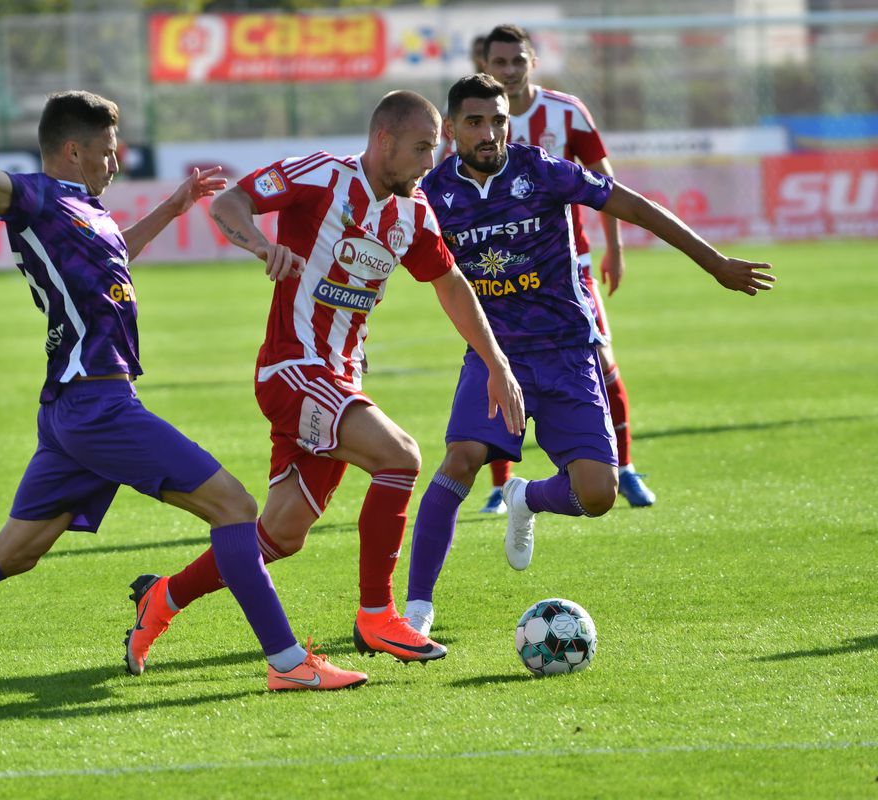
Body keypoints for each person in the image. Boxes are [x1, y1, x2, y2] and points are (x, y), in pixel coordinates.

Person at [0, 74, 369, 698]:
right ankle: (288, 663)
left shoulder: (86, 209)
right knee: (235, 509)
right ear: (73, 150)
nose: (116, 161)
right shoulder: (37, 196)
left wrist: (173, 210)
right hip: (97, 404)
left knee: (16, 550)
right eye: (108, 149)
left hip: (76, 407)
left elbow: (117, 251)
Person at [122, 90, 526, 676]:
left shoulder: (413, 212)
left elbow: (451, 284)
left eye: (432, 150)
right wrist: (262, 245)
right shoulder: (320, 176)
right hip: (291, 370)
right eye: (419, 149)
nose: (427, 163)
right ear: (383, 140)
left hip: (339, 378)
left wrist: (496, 362)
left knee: (280, 536)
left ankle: (161, 599)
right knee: (402, 458)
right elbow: (231, 203)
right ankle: (377, 616)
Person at [403, 73, 773, 636]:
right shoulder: (430, 194)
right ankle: (416, 610)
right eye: (475, 122)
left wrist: (715, 263)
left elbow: (637, 207)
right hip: (494, 354)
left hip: (567, 350)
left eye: (499, 120)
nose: (489, 132)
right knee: (461, 459)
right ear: (450, 128)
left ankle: (526, 498)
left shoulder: (541, 170)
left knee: (597, 495)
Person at [475, 23, 654, 514]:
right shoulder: (475, 121)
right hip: (500, 273)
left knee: (603, 364)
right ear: (485, 66)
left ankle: (626, 468)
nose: (509, 71)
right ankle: (501, 483)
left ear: (532, 62)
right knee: (499, 366)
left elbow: (604, 180)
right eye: (499, 63)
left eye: (517, 61)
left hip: (568, 268)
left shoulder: (566, 111)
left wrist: (613, 247)